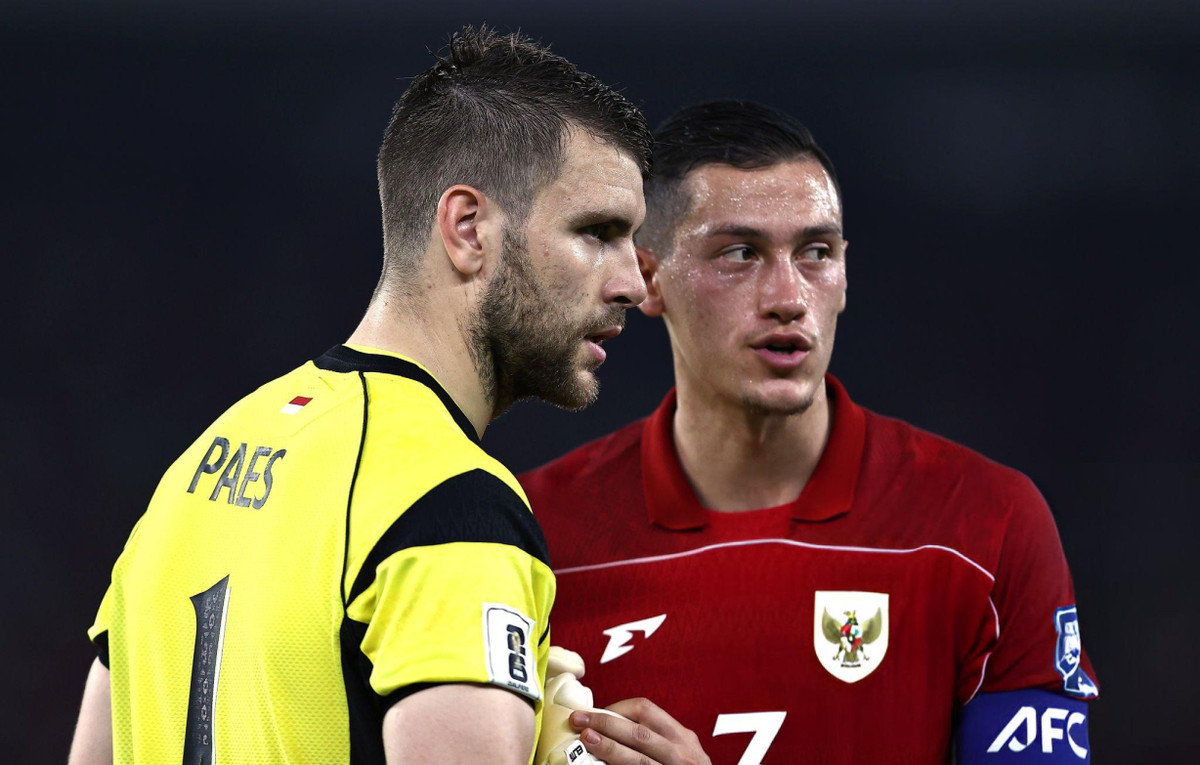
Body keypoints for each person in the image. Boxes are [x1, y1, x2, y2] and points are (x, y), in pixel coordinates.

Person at [68, 26, 653, 765]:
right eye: (597, 232)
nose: (633, 283)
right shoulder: (451, 504)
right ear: (468, 228)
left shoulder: (194, 472)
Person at [520, 100, 1098, 764]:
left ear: (846, 274)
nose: (789, 297)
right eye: (741, 254)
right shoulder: (535, 534)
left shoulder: (987, 524)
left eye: (816, 252)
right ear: (647, 279)